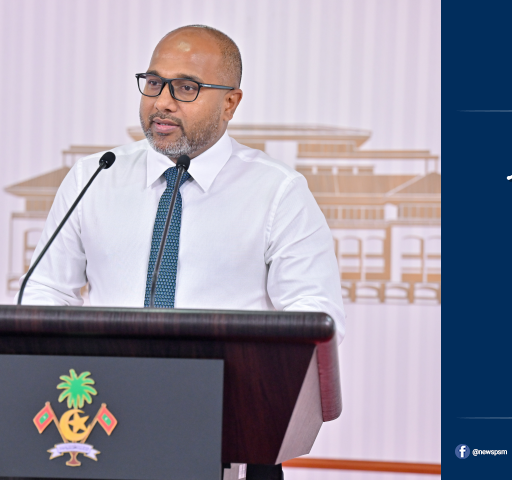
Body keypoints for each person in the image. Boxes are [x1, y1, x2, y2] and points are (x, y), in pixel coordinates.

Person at [17, 26, 345, 478]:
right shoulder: (96, 176)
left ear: (230, 102)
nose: (163, 102)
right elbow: (46, 292)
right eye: (154, 83)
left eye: (186, 87)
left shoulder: (277, 192)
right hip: (101, 422)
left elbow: (314, 318)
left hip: (232, 428)